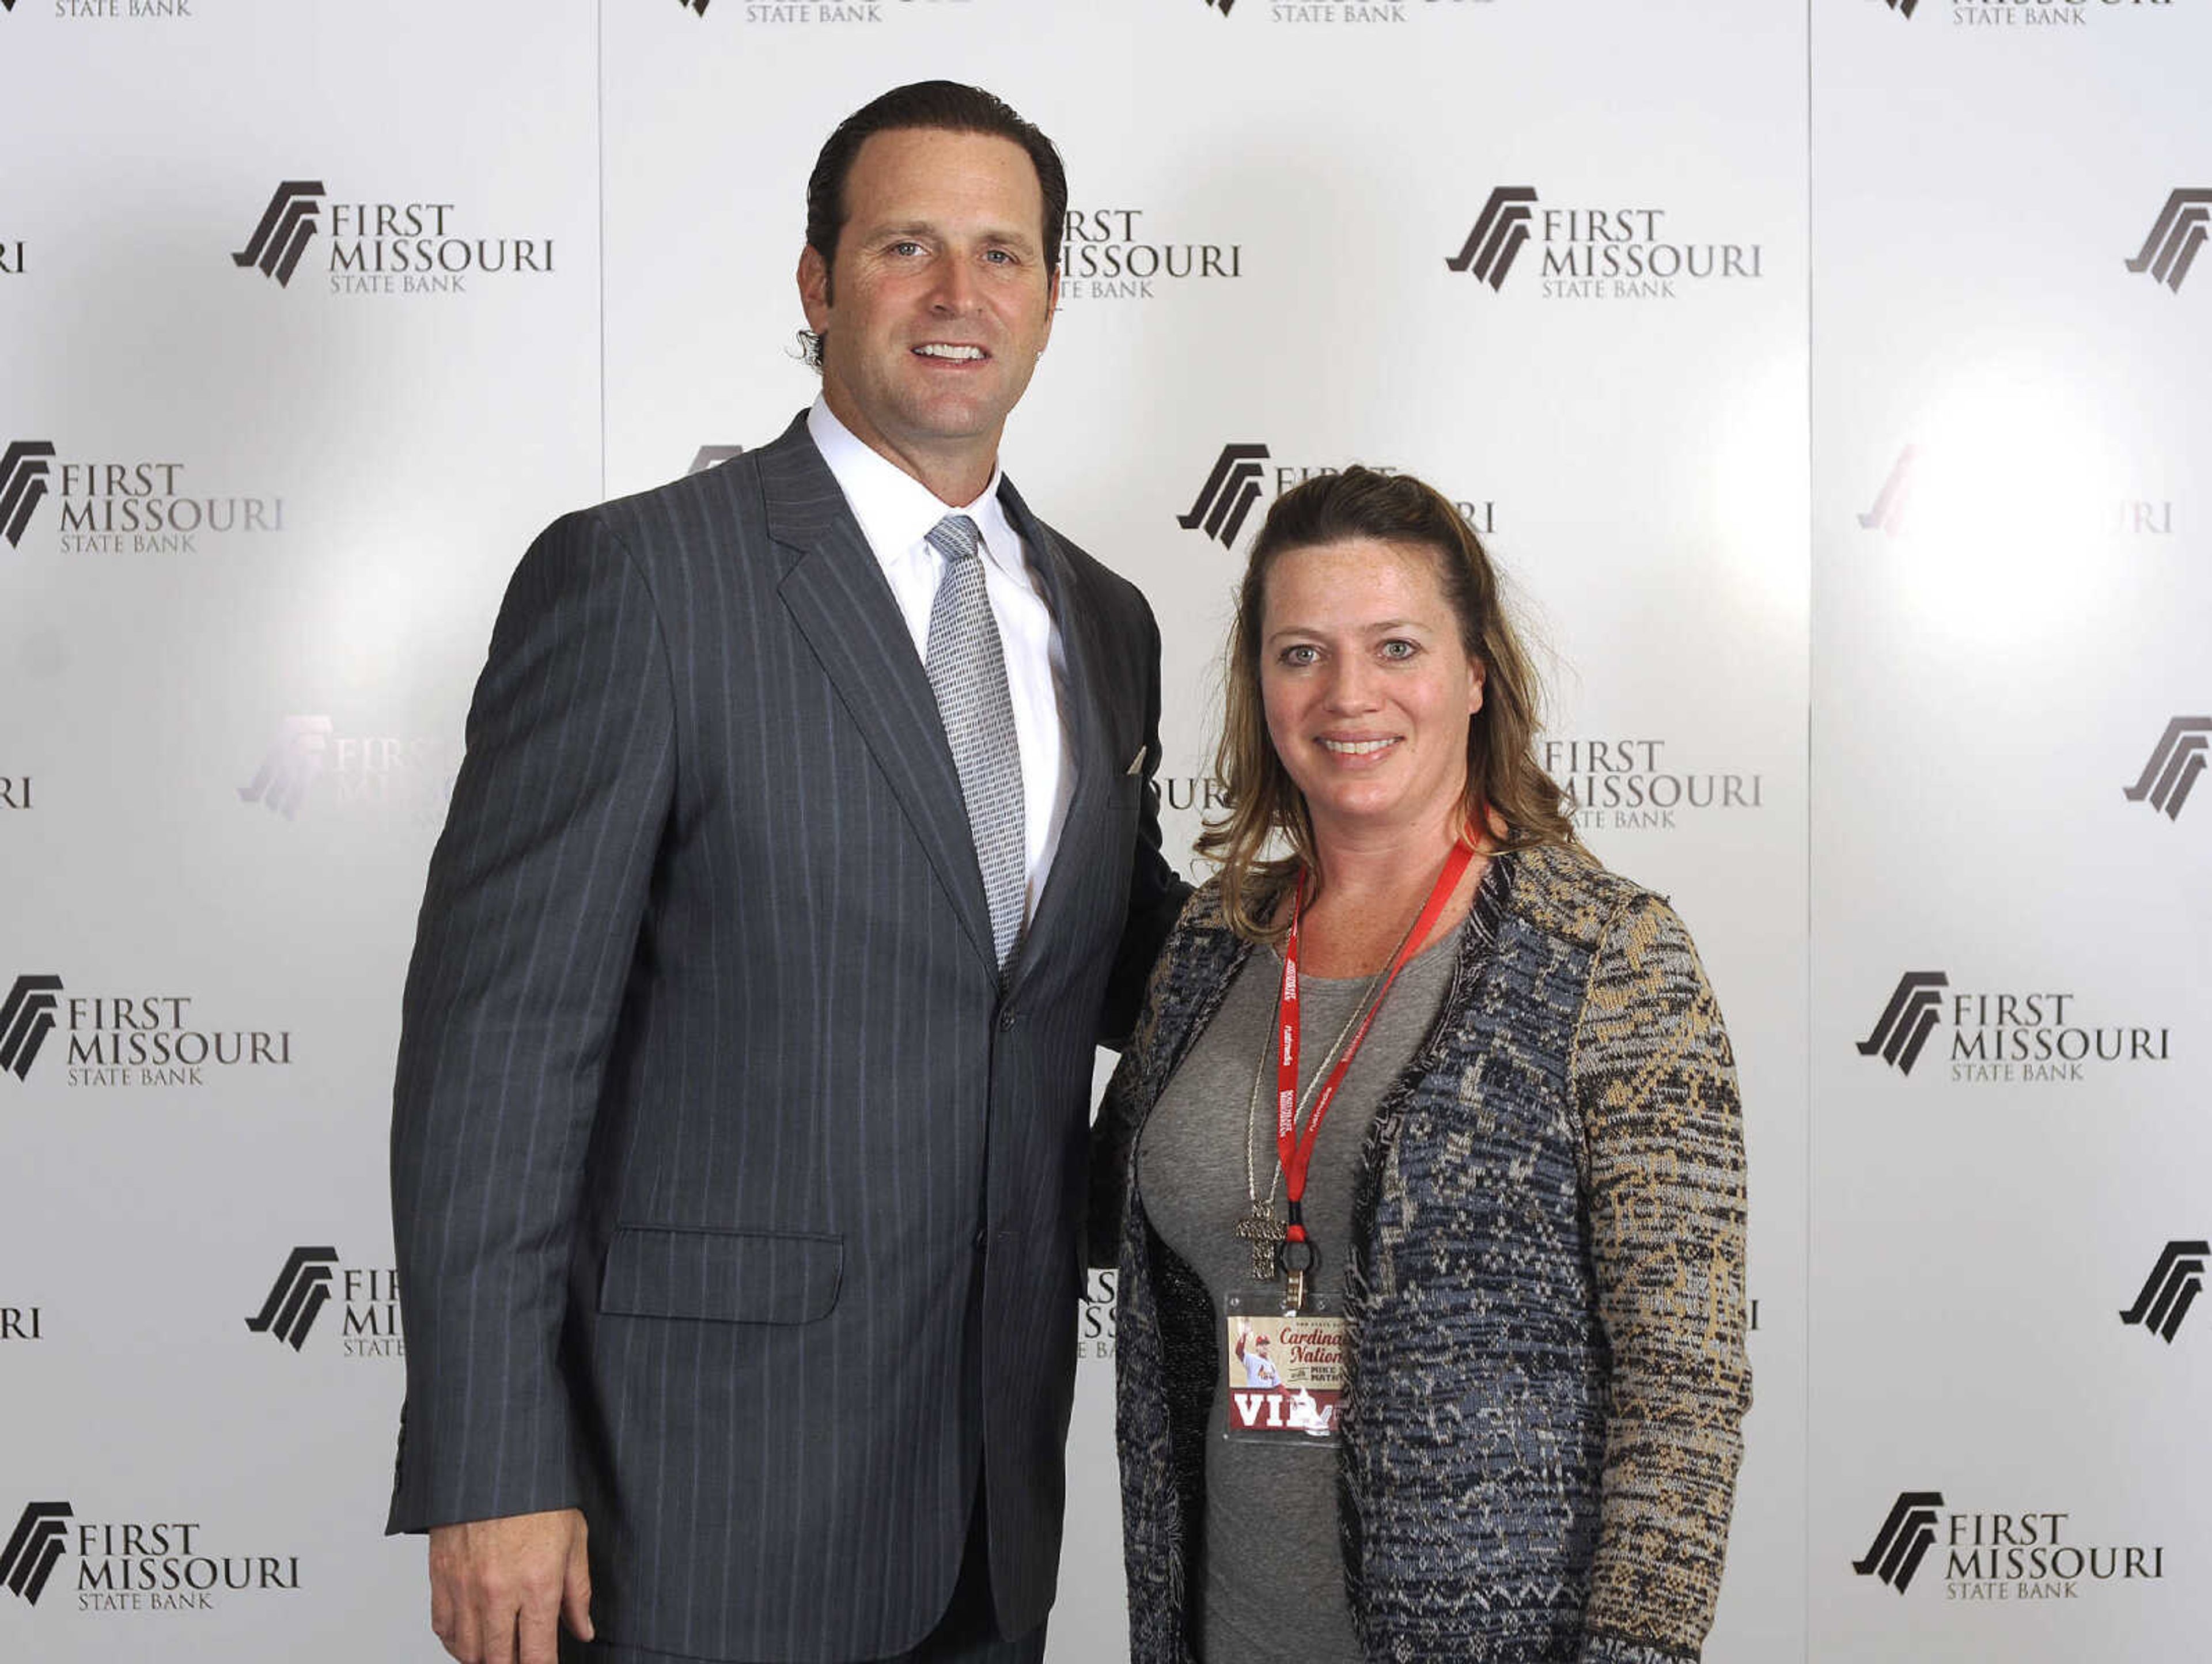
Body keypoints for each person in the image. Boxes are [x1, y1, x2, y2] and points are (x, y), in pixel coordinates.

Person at [387, 81, 1186, 1664]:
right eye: (907, 247)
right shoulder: (640, 581)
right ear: (818, 284)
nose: (961, 297)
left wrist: (1399, 914)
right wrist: (493, 1468)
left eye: (1003, 255)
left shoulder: (1105, 619)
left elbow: (1099, 965)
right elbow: (496, 1060)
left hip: (985, 1493)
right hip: (690, 1502)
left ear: (1049, 298)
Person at [1091, 467, 1749, 1663]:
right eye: (1301, 653)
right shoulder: (1210, 944)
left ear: (1477, 673)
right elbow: (1084, 1204)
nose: (1349, 694)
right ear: (1260, 685)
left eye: (1397, 645)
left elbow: (1685, 1386)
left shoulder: (1610, 957)